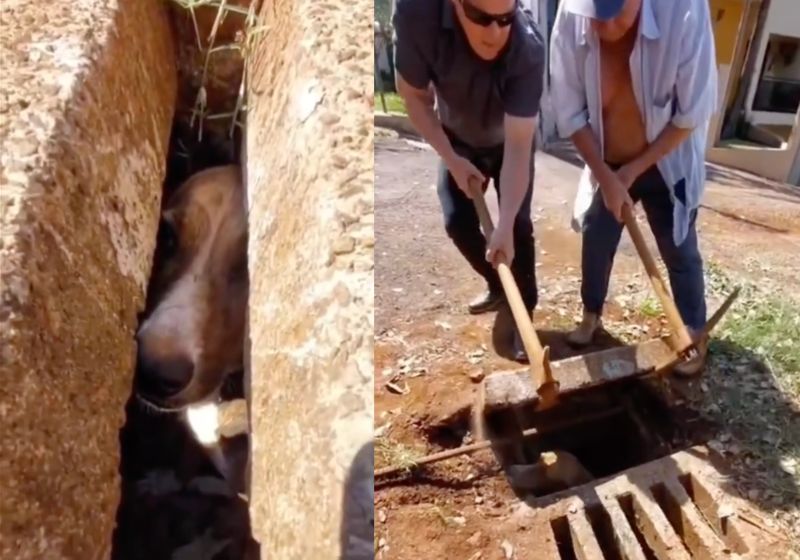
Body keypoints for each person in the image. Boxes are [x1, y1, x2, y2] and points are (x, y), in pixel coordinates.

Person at [549, 0, 717, 375]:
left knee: (679, 249)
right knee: (597, 234)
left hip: (667, 157)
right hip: (606, 156)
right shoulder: (572, 14)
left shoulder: (686, 10)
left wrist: (635, 170)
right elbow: (570, 112)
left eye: (612, 12)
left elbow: (691, 112)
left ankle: (691, 329)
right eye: (593, 13)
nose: (600, 26)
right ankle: (591, 314)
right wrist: (608, 177)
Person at [392, 0, 546, 362]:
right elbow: (413, 97)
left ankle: (525, 312)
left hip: (508, 143)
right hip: (458, 141)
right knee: (457, 222)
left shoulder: (528, 46)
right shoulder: (418, 14)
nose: (495, 33)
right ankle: (497, 286)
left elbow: (520, 144)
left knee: (518, 229)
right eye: (481, 18)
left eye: (505, 19)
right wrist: (452, 160)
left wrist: (504, 222)